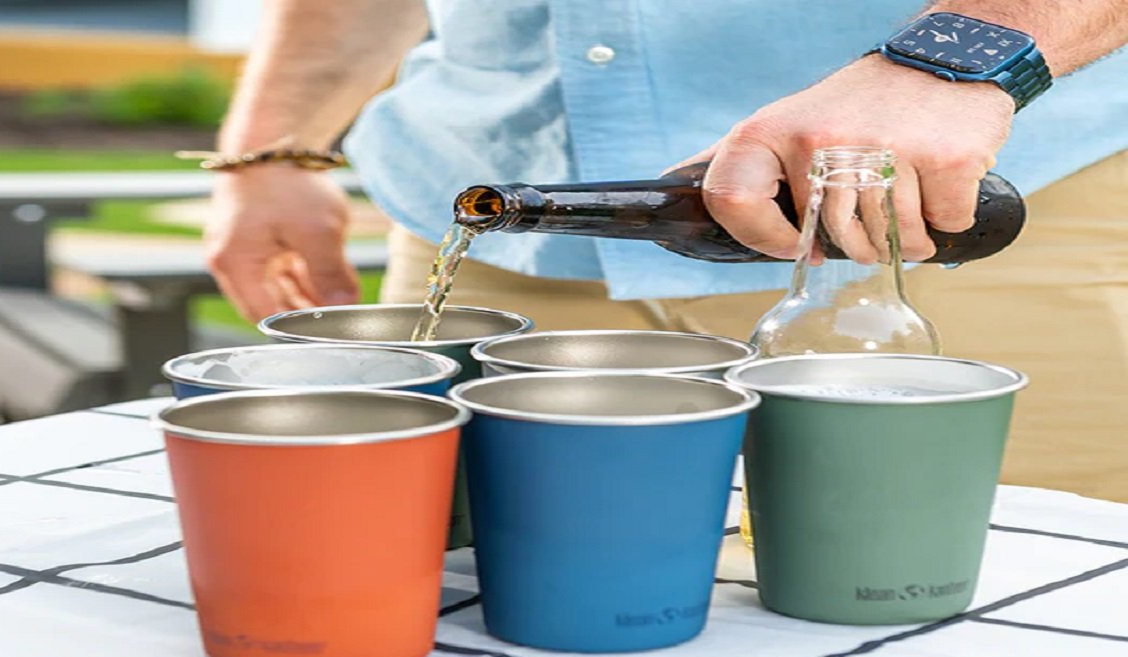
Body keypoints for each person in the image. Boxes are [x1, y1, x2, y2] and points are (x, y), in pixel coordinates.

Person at [202, 1, 1128, 502]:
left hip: (930, 223)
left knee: (959, 610)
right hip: (493, 217)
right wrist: (272, 149)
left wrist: (956, 61)